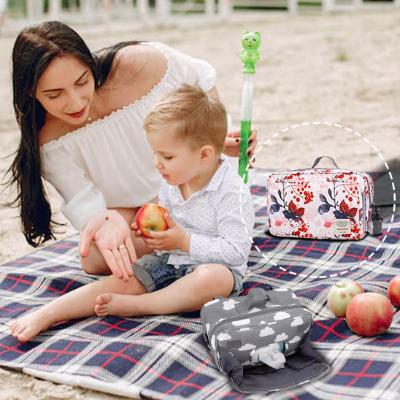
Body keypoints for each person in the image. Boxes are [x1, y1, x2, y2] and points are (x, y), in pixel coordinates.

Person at [6, 20, 257, 280]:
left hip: (188, 182)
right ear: (31, 93)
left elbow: (201, 80)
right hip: (133, 212)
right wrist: (106, 225)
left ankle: (196, 235)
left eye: (82, 81)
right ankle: (197, 236)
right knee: (93, 257)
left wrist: (215, 141)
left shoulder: (140, 64)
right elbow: (87, 206)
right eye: (55, 95)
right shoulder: (48, 141)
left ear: (90, 64)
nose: (76, 101)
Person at [9, 84, 255, 342]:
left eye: (167, 156)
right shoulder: (174, 178)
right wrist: (153, 228)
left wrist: (184, 241)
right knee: (121, 278)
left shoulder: (231, 192)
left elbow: (236, 251)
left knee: (212, 279)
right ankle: (49, 313)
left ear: (204, 155)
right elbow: (167, 215)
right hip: (169, 261)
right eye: (155, 154)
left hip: (214, 269)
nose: (157, 163)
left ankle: (143, 305)